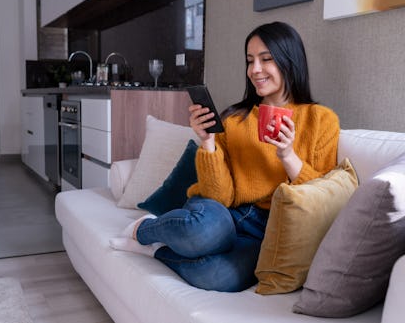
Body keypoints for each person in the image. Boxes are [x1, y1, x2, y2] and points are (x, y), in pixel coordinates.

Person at [110, 21, 340, 292]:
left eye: (266, 59)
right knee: (205, 231)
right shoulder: (234, 119)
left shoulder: (321, 120)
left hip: (268, 233)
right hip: (222, 214)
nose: (255, 70)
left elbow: (323, 199)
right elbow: (219, 196)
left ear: (290, 61)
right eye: (250, 60)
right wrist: (207, 142)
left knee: (219, 277)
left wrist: (288, 156)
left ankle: (156, 251)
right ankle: (145, 230)